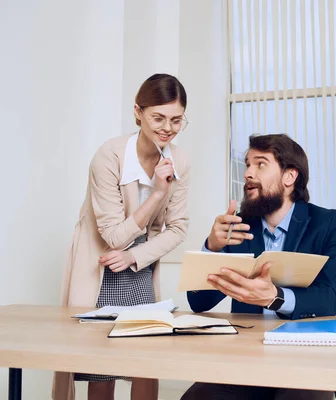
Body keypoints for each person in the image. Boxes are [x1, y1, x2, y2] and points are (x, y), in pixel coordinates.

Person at [181, 133, 336, 400]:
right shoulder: (236, 227)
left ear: (289, 177)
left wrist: (276, 297)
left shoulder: (329, 223)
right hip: (246, 359)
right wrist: (211, 248)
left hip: (307, 358)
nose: (248, 173)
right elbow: (199, 302)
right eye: (247, 164)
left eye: (260, 164)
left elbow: (330, 298)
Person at [53, 73, 191, 400]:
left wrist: (134, 256)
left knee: (144, 361)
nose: (167, 128)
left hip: (139, 263)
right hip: (101, 266)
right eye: (158, 117)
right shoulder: (109, 156)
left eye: (176, 120)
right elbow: (114, 237)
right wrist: (157, 194)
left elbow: (178, 227)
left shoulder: (180, 159)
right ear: (137, 112)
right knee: (101, 367)